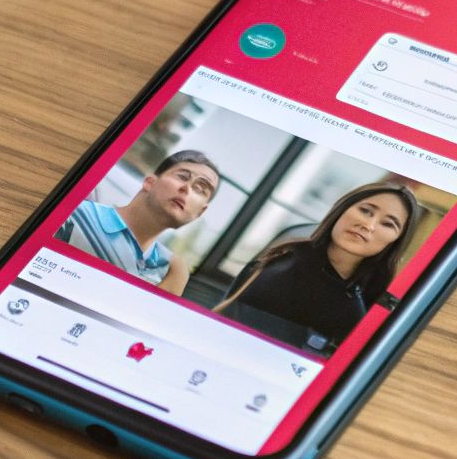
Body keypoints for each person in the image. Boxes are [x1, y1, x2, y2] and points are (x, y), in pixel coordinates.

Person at [216, 183, 420, 350]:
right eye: (365, 211)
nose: (369, 225)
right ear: (342, 209)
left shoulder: (361, 313)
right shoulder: (284, 254)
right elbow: (225, 310)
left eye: (388, 224)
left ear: (395, 241)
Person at [55, 150, 219, 296]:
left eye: (200, 189)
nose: (187, 188)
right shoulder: (76, 214)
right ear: (150, 182)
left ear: (199, 213)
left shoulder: (171, 269)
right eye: (182, 177)